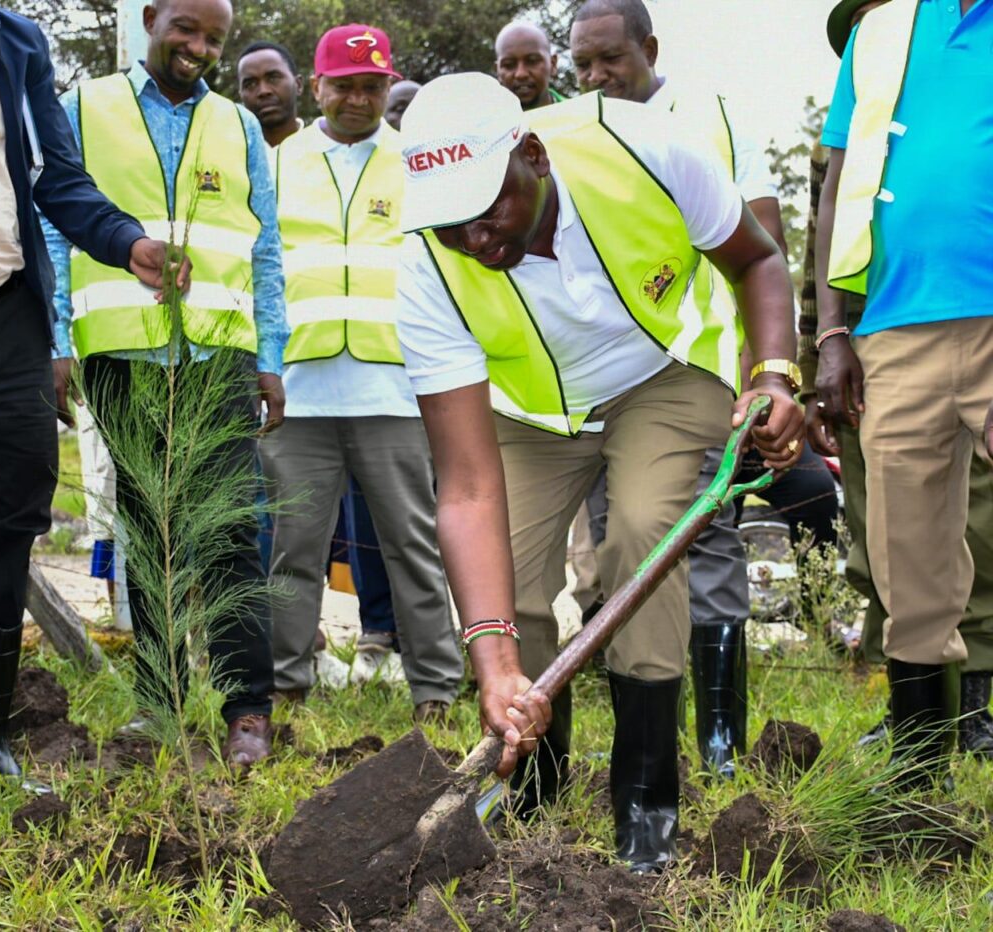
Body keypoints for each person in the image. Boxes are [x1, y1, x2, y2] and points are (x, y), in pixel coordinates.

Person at [396, 72, 803, 872]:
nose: (475, 241)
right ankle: (534, 783)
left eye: (489, 212)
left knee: (644, 539)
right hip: (532, 412)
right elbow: (469, 487)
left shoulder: (642, 148)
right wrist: (495, 662)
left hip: (665, 371)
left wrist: (775, 375)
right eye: (452, 226)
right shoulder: (425, 274)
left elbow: (758, 260)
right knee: (502, 583)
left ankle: (647, 798)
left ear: (534, 157)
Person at [569, 0, 836, 777]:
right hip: (611, 377)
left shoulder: (714, 121)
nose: (594, 79)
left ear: (649, 48)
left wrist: (767, 375)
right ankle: (651, 732)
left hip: (707, 371)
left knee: (709, 536)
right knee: (631, 541)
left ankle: (718, 738)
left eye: (609, 60)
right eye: (582, 65)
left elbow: (766, 255)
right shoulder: (571, 130)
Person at [41, 0, 289, 768]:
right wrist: (56, 341)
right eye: (186, 28)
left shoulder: (239, 126)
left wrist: (271, 356)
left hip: (216, 356)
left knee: (226, 533)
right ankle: (161, 703)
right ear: (152, 18)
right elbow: (54, 225)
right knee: (148, 529)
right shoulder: (82, 106)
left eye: (214, 37)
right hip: (119, 351)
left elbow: (264, 248)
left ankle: (248, 709)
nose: (200, 48)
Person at [0, 0, 189, 786]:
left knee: (11, 502)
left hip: (2, 313)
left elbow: (57, 180)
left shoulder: (17, 41)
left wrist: (126, 241)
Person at [801, 0, 993, 760]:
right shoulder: (877, 32)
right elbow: (837, 186)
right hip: (892, 329)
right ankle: (921, 773)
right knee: (904, 556)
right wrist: (832, 333)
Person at [262, 23, 463, 721]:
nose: (357, 98)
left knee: (413, 544)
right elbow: (261, 271)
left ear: (388, 86)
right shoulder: (278, 164)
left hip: (394, 387)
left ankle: (436, 687)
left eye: (372, 86)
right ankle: (285, 684)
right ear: (316, 87)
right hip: (299, 390)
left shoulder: (419, 164)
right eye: (343, 86)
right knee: (293, 548)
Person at [237, 40, 304, 148]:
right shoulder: (231, 155)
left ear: (298, 85)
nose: (264, 91)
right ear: (241, 95)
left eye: (273, 78)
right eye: (250, 84)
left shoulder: (326, 150)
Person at [494, 21, 565, 110]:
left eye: (532, 61)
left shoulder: (582, 116)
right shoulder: (480, 122)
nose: (521, 74)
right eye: (509, 65)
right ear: (498, 70)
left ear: (553, 64)